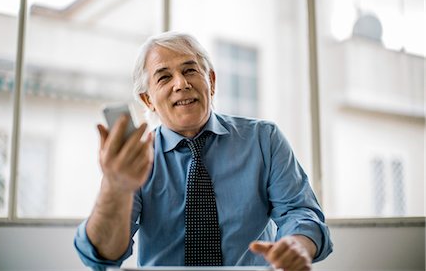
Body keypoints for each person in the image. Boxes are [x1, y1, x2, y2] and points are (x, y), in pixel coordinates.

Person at [74, 32, 333, 271]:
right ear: (148, 100)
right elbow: (102, 256)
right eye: (164, 77)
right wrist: (115, 187)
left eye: (190, 70)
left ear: (210, 81)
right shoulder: (138, 159)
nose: (181, 83)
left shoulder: (264, 139)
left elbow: (300, 211)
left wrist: (298, 244)